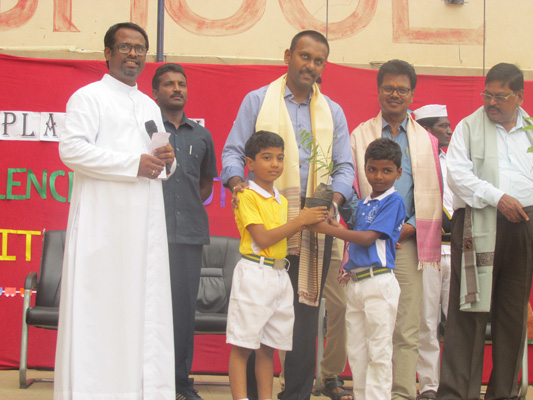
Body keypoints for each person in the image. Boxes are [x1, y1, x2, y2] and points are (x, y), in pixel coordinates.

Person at [221, 30, 354, 400]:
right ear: (288, 56)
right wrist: (237, 184)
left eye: (318, 60)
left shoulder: (333, 112)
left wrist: (333, 202)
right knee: (257, 321)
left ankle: (295, 394)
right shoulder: (258, 100)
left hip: (314, 224)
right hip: (267, 217)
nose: (310, 65)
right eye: (304, 56)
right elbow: (233, 151)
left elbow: (345, 167)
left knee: (304, 317)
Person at [55, 22, 176, 400]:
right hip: (103, 230)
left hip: (144, 233)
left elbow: (157, 162)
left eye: (140, 48)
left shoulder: (149, 105)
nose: (133, 54)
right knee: (100, 314)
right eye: (125, 47)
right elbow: (71, 150)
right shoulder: (88, 97)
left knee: (141, 314)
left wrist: (168, 161)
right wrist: (131, 164)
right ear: (107, 53)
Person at [437, 63, 533, 400]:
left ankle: (503, 393)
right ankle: (456, 393)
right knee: (469, 310)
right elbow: (457, 176)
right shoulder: (468, 127)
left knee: (513, 312)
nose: (491, 102)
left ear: (519, 96)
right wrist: (498, 198)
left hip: (523, 223)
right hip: (477, 223)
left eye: (500, 97)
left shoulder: (530, 131)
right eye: (487, 95)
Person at [349, 59, 442, 400]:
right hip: (369, 244)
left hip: (406, 244)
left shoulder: (426, 141)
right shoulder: (360, 135)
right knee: (369, 327)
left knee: (406, 325)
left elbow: (433, 193)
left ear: (412, 94)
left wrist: (410, 226)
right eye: (388, 88)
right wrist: (376, 226)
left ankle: (402, 393)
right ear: (378, 91)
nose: (395, 94)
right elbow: (352, 187)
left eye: (402, 89)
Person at [227, 130, 328, 400]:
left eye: (280, 158)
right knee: (242, 346)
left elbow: (284, 234)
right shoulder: (246, 195)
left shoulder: (281, 200)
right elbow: (262, 238)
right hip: (254, 272)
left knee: (268, 348)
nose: (275, 164)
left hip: (280, 274)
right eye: (267, 157)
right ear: (250, 163)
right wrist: (301, 220)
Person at [312, 137, 406, 399]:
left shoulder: (394, 201)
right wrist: (336, 225)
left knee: (379, 351)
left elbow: (366, 239)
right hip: (355, 283)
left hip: (379, 283)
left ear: (399, 172)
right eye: (372, 169)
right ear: (364, 169)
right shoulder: (364, 204)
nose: (379, 176)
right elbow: (356, 236)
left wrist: (328, 229)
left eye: (387, 171)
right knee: (357, 352)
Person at [152, 63, 218, 400]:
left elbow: (205, 184)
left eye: (181, 83)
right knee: (148, 308)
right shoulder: (147, 128)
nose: (176, 89)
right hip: (150, 232)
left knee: (182, 311)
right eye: (168, 84)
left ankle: (180, 383)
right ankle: (149, 380)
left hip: (190, 234)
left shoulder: (202, 135)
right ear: (155, 92)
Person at [412, 105, 454, 400]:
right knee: (426, 321)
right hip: (428, 251)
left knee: (458, 323)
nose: (449, 130)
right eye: (443, 125)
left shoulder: (455, 160)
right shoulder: (416, 162)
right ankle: (429, 385)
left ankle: (454, 382)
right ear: (427, 131)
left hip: (457, 249)